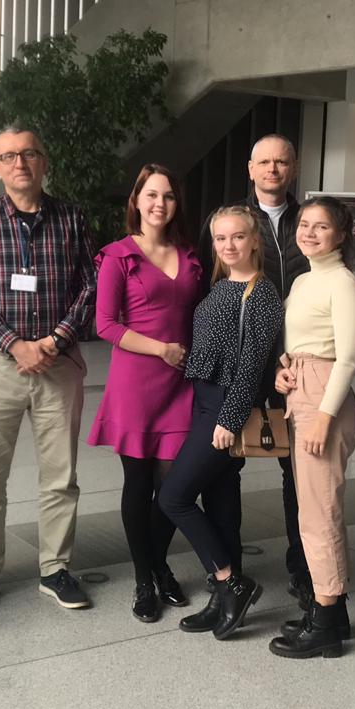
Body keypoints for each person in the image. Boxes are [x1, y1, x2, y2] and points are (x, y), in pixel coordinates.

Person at [0, 126, 97, 613]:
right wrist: (13, 343)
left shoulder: (72, 218)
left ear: (44, 162)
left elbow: (90, 285)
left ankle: (55, 568)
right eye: (10, 156)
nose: (20, 163)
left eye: (30, 153)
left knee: (60, 474)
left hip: (58, 362)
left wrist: (55, 339)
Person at [197, 134, 311, 605]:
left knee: (298, 472)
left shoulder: (310, 221)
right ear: (250, 168)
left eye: (281, 161)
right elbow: (213, 288)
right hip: (239, 364)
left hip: (293, 365)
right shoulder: (232, 221)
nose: (272, 169)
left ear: (293, 166)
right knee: (225, 470)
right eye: (264, 161)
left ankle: (304, 570)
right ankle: (230, 574)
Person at [159, 205, 283, 640]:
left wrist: (230, 417)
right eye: (220, 238)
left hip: (225, 408)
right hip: (204, 400)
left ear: (254, 240)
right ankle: (223, 597)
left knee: (173, 496)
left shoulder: (261, 293)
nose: (229, 245)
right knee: (221, 502)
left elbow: (252, 365)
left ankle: (232, 582)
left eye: (237, 236)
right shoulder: (221, 285)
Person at [87, 164, 204, 622]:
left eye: (168, 196)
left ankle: (157, 563)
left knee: (175, 487)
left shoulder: (190, 254)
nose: (160, 204)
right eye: (151, 195)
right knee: (138, 483)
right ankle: (145, 579)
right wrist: (162, 349)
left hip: (182, 383)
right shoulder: (118, 256)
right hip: (136, 383)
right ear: (136, 201)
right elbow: (105, 324)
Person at [267, 197, 355, 659]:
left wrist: (324, 416)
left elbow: (347, 358)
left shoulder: (342, 282)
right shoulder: (305, 279)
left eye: (321, 226)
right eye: (304, 224)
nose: (308, 232)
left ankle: (324, 622)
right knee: (311, 508)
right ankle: (333, 612)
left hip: (325, 396)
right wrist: (283, 368)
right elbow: (300, 339)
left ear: (341, 234)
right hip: (302, 389)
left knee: (319, 513)